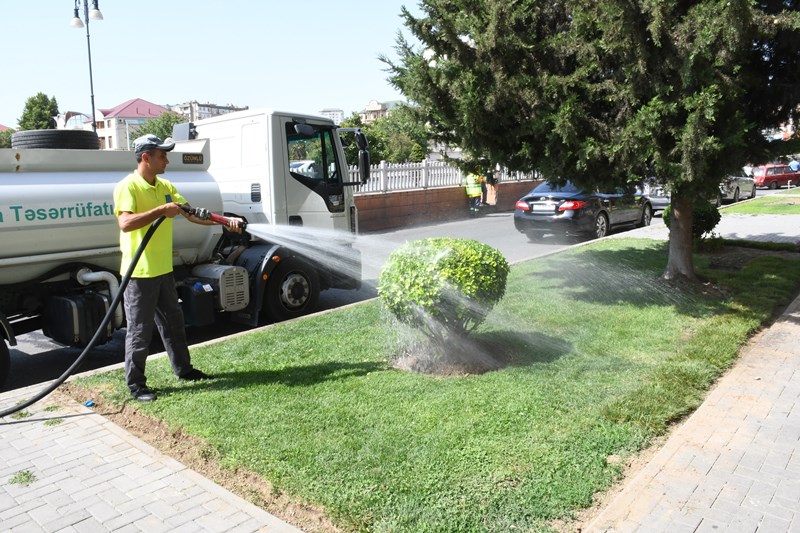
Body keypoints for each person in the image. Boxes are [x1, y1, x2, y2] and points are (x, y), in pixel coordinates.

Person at [113, 134, 243, 402]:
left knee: (174, 325)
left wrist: (225, 220)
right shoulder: (128, 187)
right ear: (146, 157)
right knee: (139, 332)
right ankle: (136, 385)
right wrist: (161, 210)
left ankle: (184, 370)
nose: (167, 160)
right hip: (139, 274)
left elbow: (191, 213)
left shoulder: (166, 185)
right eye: (162, 155)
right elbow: (125, 223)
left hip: (163, 270)